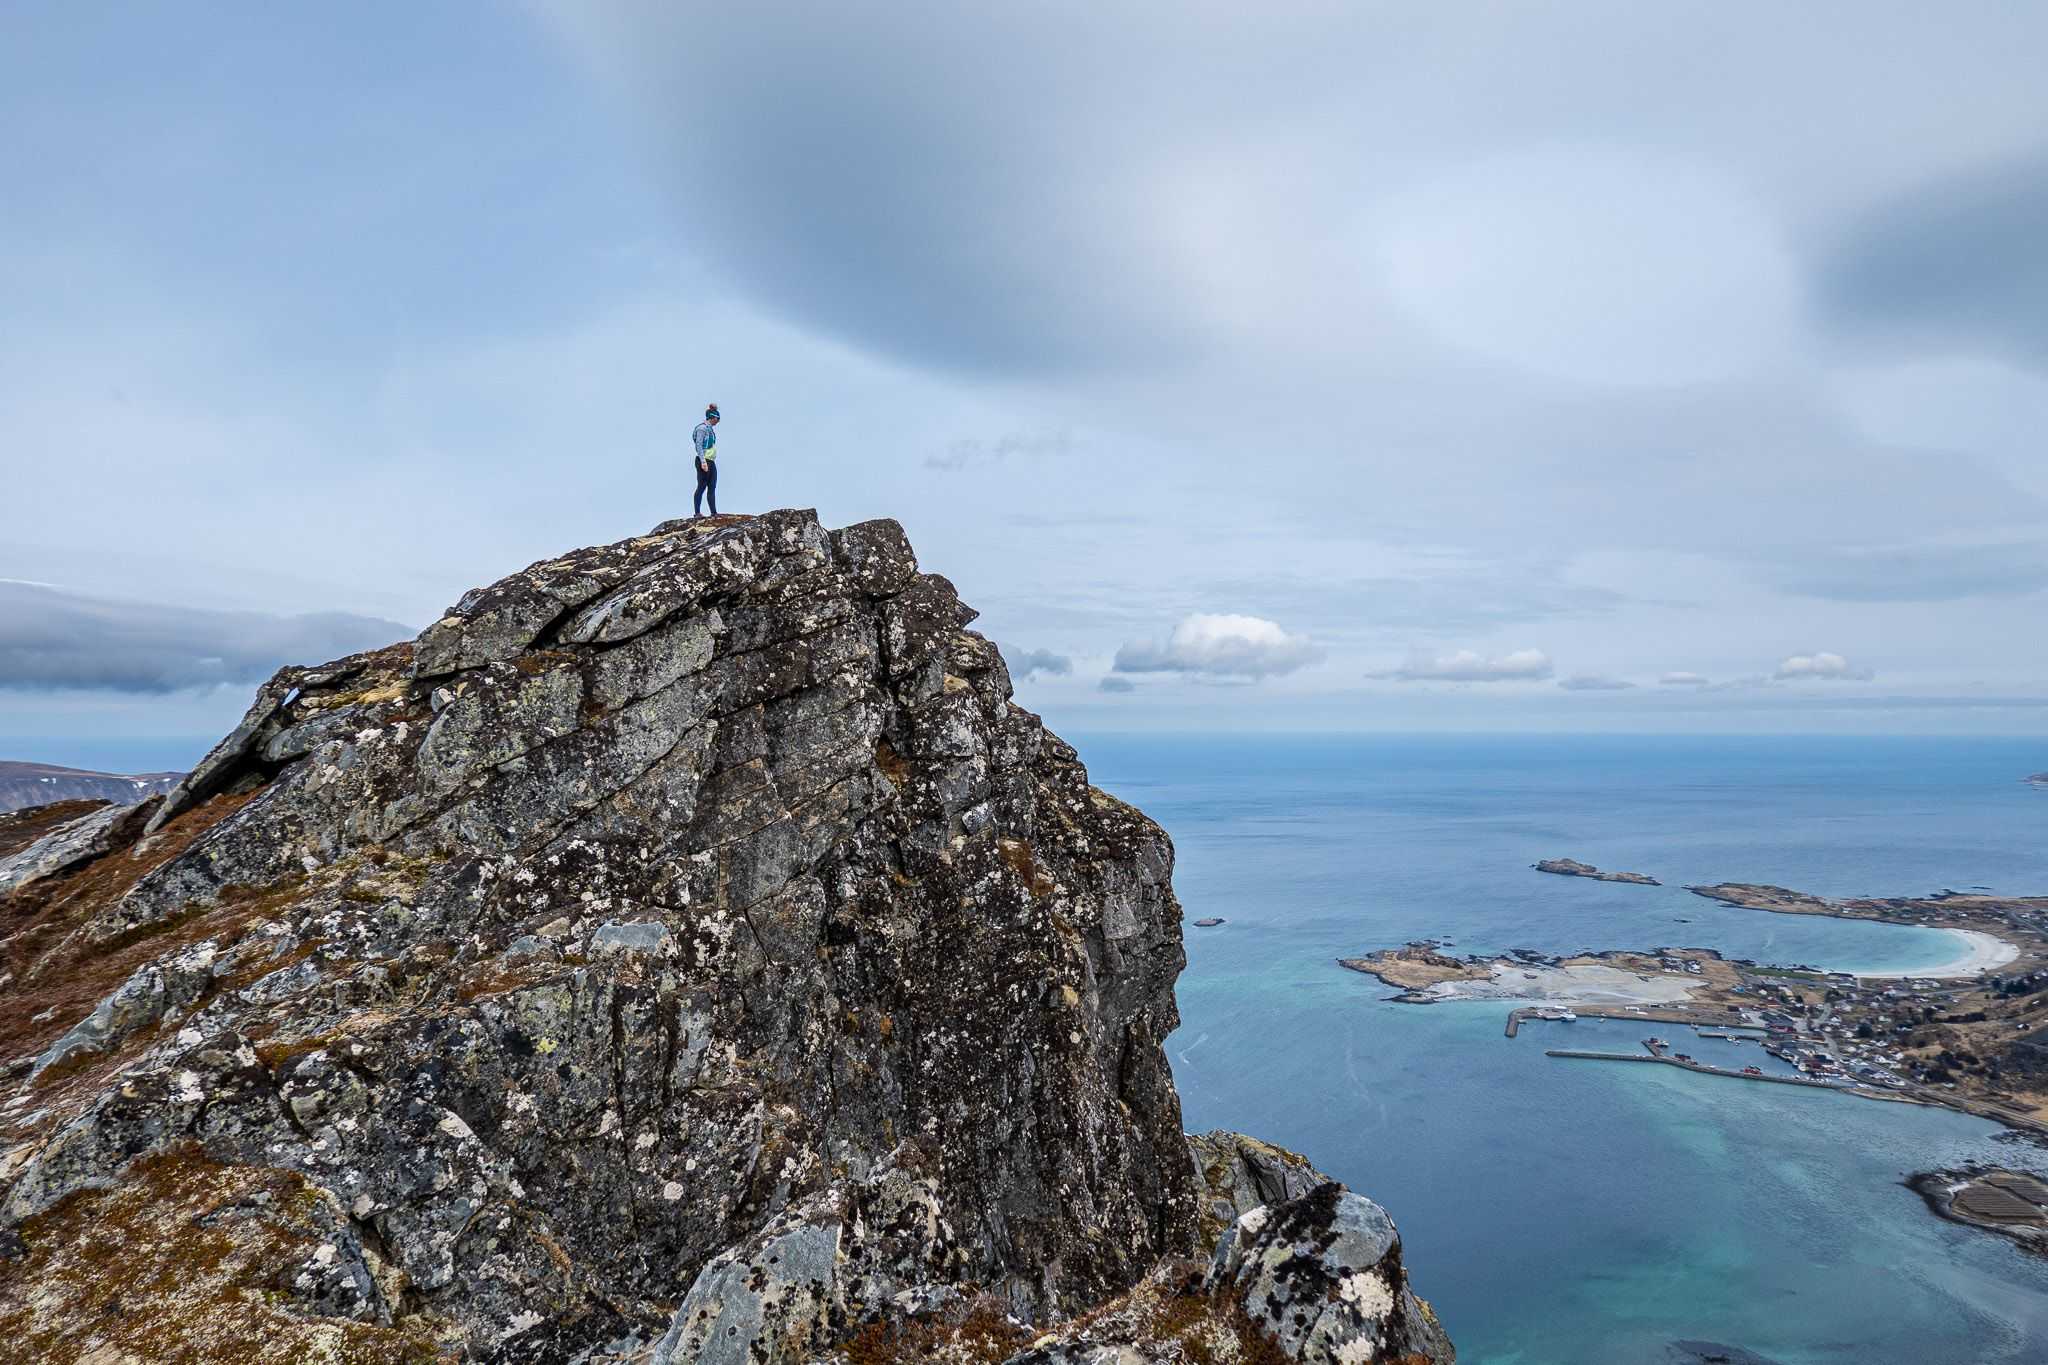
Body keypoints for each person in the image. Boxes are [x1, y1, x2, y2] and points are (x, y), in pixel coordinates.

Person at [692, 403, 721, 516]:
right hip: (703, 460)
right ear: (713, 417)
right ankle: (697, 513)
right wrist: (703, 462)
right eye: (717, 419)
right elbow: (699, 445)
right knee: (702, 486)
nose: (717, 422)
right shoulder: (702, 428)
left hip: (711, 461)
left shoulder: (710, 429)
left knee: (712, 486)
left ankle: (714, 513)